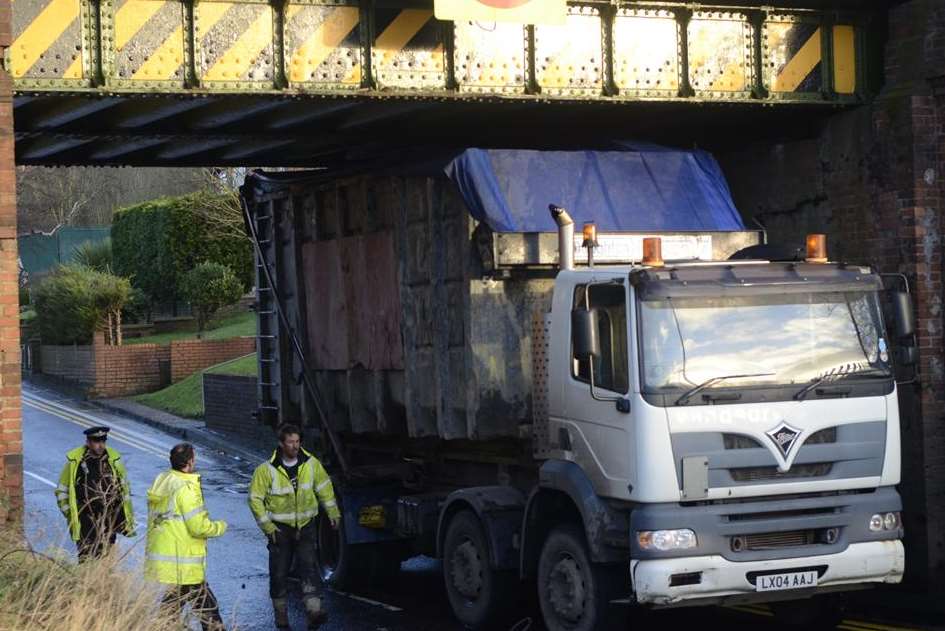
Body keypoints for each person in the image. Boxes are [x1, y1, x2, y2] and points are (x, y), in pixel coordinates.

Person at [249, 424, 341, 630]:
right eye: (290, 442)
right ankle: (281, 620)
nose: (295, 446)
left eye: (297, 441)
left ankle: (314, 612)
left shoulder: (311, 464)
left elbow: (324, 488)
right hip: (280, 531)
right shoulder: (266, 470)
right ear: (281, 444)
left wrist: (333, 513)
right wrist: (269, 528)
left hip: (306, 526)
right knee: (279, 574)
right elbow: (255, 500)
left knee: (309, 569)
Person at [145, 443, 227, 631]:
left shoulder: (163, 480)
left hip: (168, 560)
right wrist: (219, 527)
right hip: (185, 562)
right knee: (209, 610)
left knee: (169, 611)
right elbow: (198, 527)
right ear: (190, 462)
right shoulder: (186, 488)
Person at [55, 426, 135, 560]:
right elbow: (61, 491)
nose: (101, 445)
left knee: (106, 560)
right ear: (88, 442)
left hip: (108, 518)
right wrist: (72, 514)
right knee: (87, 559)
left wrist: (122, 517)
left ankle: (103, 580)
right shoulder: (76, 463)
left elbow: (124, 489)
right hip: (86, 519)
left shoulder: (113, 460)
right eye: (97, 442)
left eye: (103, 441)